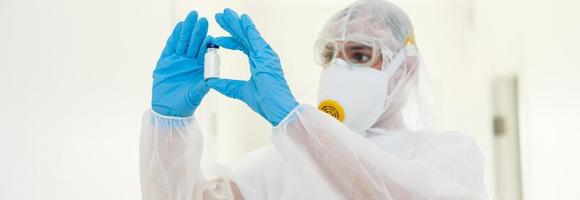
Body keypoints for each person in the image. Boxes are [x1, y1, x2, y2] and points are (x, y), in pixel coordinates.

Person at [140, 0, 488, 199]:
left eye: (361, 54)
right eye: (329, 53)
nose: (339, 68)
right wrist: (170, 128)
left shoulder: (449, 155)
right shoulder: (285, 161)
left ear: (405, 69)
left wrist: (297, 122)